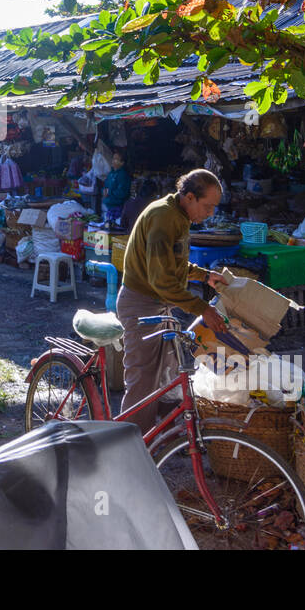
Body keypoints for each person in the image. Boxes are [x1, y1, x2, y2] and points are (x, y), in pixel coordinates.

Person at [115, 168, 228, 432]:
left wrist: (203, 275)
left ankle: (166, 434)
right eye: (207, 206)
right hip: (141, 304)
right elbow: (162, 281)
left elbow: (172, 263)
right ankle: (132, 447)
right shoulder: (163, 217)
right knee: (143, 380)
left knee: (169, 373)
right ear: (189, 197)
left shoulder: (178, 214)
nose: (210, 213)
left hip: (159, 304)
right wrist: (203, 309)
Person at [103, 149, 132, 224]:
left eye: (116, 159)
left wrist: (109, 192)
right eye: (113, 158)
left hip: (118, 207)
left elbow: (122, 193)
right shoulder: (111, 173)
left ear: (122, 163)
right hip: (108, 206)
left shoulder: (123, 175)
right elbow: (106, 186)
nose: (113, 161)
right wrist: (104, 191)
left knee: (114, 228)